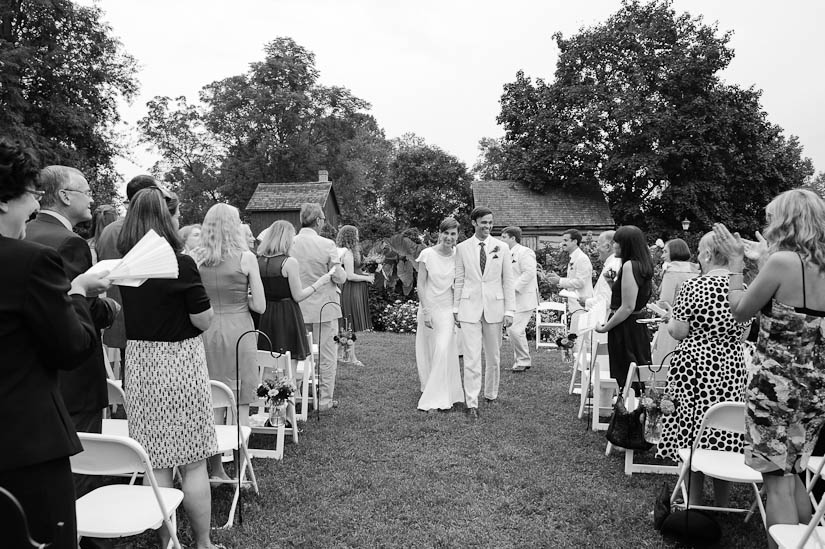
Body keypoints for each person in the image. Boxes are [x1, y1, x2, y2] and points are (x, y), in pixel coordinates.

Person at [0, 137, 111, 548]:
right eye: (30, 195)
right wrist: (79, 293)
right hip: (25, 441)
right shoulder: (29, 261)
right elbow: (71, 347)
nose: (34, 207)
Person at [714, 189, 825, 548]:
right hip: (815, 389)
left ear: (787, 221)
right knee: (794, 474)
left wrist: (735, 264)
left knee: (776, 481)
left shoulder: (782, 263)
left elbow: (740, 310)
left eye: (772, 217)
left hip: (775, 389)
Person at [117, 188, 218, 549]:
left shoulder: (126, 262)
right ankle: (203, 543)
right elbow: (203, 320)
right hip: (179, 362)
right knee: (192, 462)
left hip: (142, 364)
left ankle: (167, 542)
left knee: (156, 460)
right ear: (167, 218)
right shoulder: (180, 262)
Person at [655, 232, 749, 506]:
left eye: (699, 251)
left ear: (708, 254)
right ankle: (721, 501)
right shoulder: (741, 288)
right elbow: (743, 335)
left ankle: (693, 501)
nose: (697, 255)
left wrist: (671, 318)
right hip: (731, 367)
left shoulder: (693, 287)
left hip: (694, 367)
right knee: (724, 432)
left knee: (691, 430)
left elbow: (679, 331)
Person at [195, 204, 265, 481]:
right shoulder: (246, 258)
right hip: (239, 331)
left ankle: (216, 469)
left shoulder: (195, 258)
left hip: (205, 332)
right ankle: (242, 468)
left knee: (210, 402)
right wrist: (240, 300)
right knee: (241, 402)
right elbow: (259, 305)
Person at [96, 175, 171, 382]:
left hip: (118, 309)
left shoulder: (109, 230)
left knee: (130, 369)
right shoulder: (147, 230)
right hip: (147, 313)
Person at [453, 206, 515, 420]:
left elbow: (508, 281)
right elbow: (459, 279)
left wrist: (510, 310)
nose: (488, 226)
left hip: (495, 308)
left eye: (490, 222)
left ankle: (491, 393)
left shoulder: (502, 247)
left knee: (494, 357)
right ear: (474, 223)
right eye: (484, 222)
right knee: (471, 357)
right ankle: (472, 402)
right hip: (469, 308)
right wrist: (455, 308)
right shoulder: (461, 248)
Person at [258, 220, 333, 379]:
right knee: (289, 363)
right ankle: (290, 401)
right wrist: (320, 282)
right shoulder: (289, 262)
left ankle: (269, 397)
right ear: (285, 238)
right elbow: (298, 295)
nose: (293, 240)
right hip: (287, 314)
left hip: (267, 314)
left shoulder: (259, 260)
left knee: (267, 361)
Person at [290, 204, 347, 412]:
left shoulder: (290, 243)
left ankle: (294, 394)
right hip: (325, 305)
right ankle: (324, 399)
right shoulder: (327, 244)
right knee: (327, 353)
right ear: (319, 221)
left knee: (297, 351)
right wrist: (341, 272)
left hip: (298, 305)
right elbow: (338, 276)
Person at [595, 225, 653, 390]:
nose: (614, 246)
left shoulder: (629, 266)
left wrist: (606, 327)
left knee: (627, 374)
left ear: (626, 245)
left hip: (626, 327)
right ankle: (632, 410)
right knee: (635, 374)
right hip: (635, 325)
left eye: (617, 242)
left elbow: (627, 306)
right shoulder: (641, 264)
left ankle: (628, 412)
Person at [416, 217, 464, 411]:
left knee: (444, 350)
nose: (449, 237)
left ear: (457, 236)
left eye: (453, 234)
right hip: (428, 308)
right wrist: (426, 311)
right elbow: (420, 284)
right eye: (446, 233)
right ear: (439, 233)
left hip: (447, 310)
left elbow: (460, 284)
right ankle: (430, 387)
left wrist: (458, 310)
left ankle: (438, 397)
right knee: (429, 350)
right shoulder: (426, 254)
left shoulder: (458, 256)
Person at [651, 238, 698, 365]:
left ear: (675, 253)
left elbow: (665, 301)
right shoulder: (696, 270)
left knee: (666, 361)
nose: (663, 255)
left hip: (673, 322)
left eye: (666, 252)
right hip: (693, 325)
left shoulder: (671, 271)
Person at [500, 226, 538, 372]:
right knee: (512, 330)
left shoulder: (525, 252)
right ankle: (520, 360)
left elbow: (529, 273)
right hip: (511, 299)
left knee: (515, 329)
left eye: (504, 237)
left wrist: (513, 289)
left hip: (524, 297)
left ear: (512, 238)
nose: (501, 240)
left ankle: (523, 360)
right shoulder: (504, 253)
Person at [336, 225, 375, 365]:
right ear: (351, 237)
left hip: (355, 289)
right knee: (349, 323)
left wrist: (366, 274)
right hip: (350, 290)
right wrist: (367, 278)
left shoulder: (351, 252)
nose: (358, 237)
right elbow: (350, 276)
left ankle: (341, 355)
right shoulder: (347, 253)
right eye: (356, 235)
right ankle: (351, 358)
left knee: (346, 324)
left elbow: (356, 271)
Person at [548, 229, 593, 335]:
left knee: (578, 341)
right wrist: (559, 280)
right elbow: (574, 279)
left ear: (575, 241)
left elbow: (580, 282)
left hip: (582, 305)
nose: (562, 243)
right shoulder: (574, 257)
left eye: (566, 240)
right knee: (577, 340)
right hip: (576, 306)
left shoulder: (582, 259)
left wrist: (560, 280)